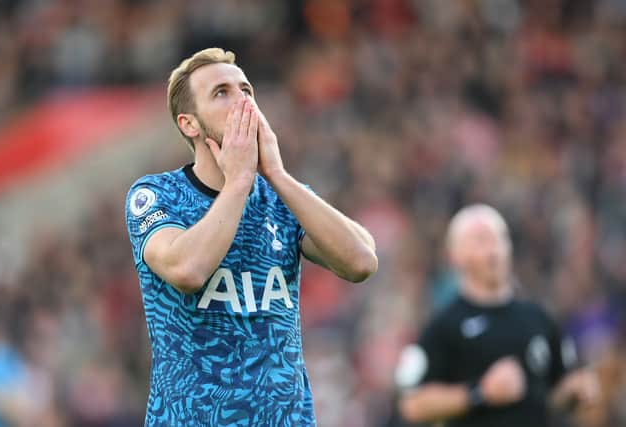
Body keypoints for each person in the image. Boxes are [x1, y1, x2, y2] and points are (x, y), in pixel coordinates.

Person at [124, 48, 377, 426]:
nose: (243, 101)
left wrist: (276, 174)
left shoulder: (281, 196)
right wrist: (239, 181)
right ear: (189, 124)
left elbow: (361, 262)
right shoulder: (157, 195)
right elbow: (188, 269)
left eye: (247, 90)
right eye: (222, 92)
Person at [394, 204, 598, 427]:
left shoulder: (538, 319)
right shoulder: (443, 327)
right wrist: (479, 392)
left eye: (499, 238)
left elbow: (552, 394)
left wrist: (576, 391)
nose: (493, 249)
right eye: (481, 240)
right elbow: (412, 404)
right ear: (455, 255)